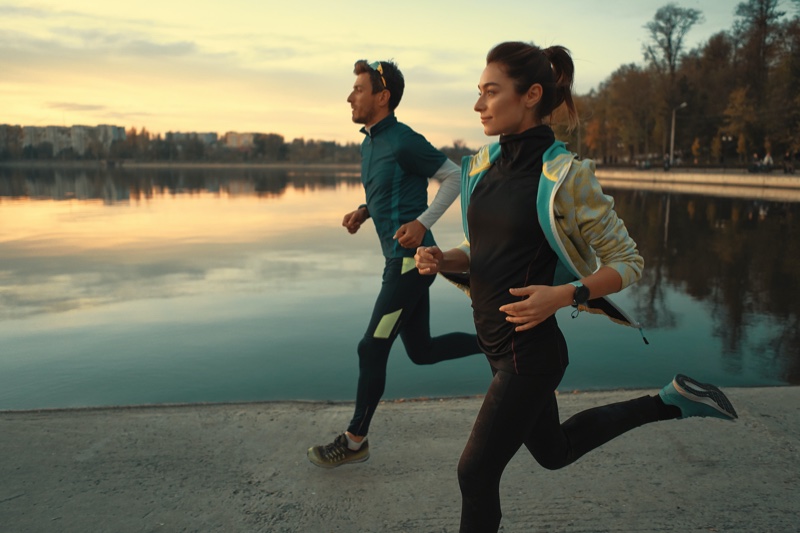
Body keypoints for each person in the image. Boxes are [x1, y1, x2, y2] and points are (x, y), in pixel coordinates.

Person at [414, 41, 738, 533]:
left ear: (531, 95)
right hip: (496, 344)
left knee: (475, 472)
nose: (478, 104)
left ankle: (669, 403)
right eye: (478, 92)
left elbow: (628, 263)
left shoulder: (566, 176)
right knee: (555, 452)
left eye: (490, 92)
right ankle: (671, 401)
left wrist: (563, 294)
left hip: (530, 356)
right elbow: (482, 248)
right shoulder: (481, 166)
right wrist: (445, 258)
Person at [306, 59, 480, 468]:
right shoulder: (370, 142)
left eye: (359, 90)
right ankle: (497, 345)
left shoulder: (402, 139)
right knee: (421, 351)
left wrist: (422, 223)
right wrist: (365, 211)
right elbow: (393, 189)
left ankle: (354, 441)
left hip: (409, 265)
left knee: (371, 348)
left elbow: (454, 177)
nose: (350, 97)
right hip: (400, 263)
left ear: (382, 97)